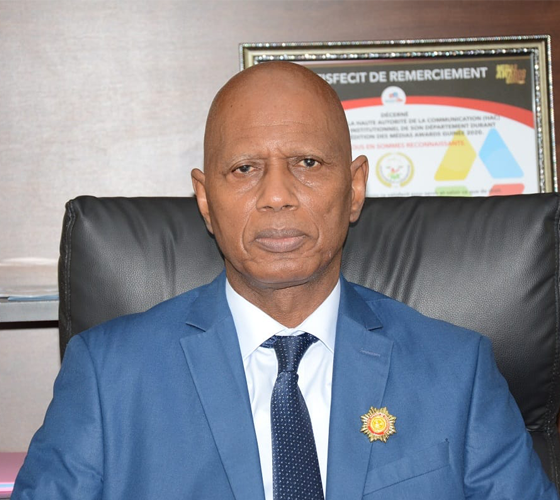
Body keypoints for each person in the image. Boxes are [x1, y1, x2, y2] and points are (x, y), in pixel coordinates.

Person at [13, 61, 558, 499]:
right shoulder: (108, 377)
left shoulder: (457, 373)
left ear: (355, 188)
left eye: (308, 163)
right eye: (244, 169)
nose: (276, 195)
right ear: (205, 200)